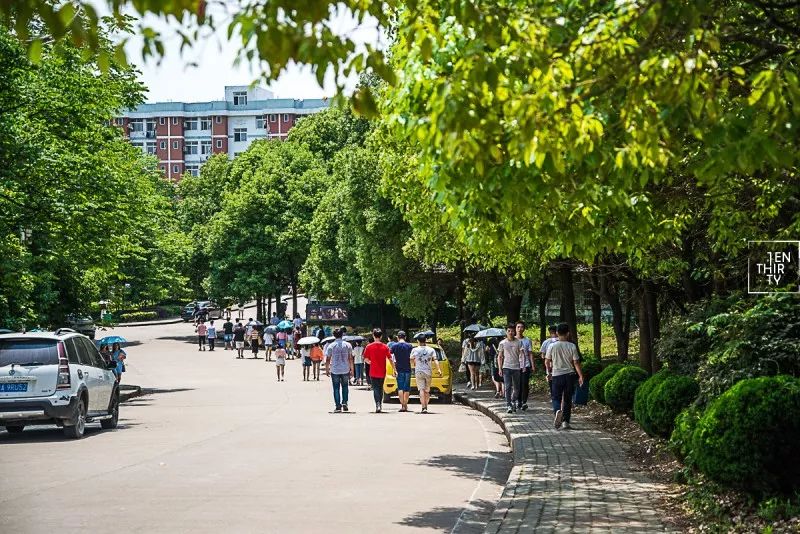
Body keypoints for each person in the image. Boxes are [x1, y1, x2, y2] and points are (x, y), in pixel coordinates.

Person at [545, 323, 585, 430]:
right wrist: (581, 376)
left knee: (555, 397)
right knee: (567, 399)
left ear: (557, 333)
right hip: (569, 375)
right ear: (568, 333)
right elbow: (576, 362)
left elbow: (547, 361)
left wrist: (549, 373)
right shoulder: (572, 346)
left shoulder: (552, 346)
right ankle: (566, 422)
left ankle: (557, 410)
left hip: (556, 375)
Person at [324, 328, 354, 413]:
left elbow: (328, 359)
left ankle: (338, 406)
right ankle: (345, 402)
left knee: (336, 388)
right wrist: (352, 369)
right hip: (345, 369)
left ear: (334, 335)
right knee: (345, 387)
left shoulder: (331, 346)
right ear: (342, 334)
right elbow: (350, 358)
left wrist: (327, 369)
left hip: (335, 369)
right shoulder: (348, 345)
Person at [411, 333, 442, 414]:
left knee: (421, 390)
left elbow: (411, 359)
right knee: (427, 391)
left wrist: (414, 363)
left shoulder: (415, 350)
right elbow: (435, 360)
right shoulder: (431, 350)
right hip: (428, 371)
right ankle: (426, 406)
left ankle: (423, 407)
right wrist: (439, 369)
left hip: (418, 371)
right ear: (426, 340)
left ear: (418, 341)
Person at [363, 329, 392, 413]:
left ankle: (377, 404)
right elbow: (390, 358)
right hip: (382, 371)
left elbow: (365, 358)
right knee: (380, 388)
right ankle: (380, 404)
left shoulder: (369, 346)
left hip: (373, 370)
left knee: (375, 388)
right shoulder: (385, 347)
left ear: (373, 335)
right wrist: (394, 369)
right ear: (381, 336)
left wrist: (370, 362)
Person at [498, 324, 523, 413]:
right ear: (506, 332)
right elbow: (500, 356)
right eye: (509, 331)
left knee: (517, 388)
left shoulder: (519, 342)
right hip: (506, 367)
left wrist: (522, 365)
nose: (510, 332)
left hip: (516, 367)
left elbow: (522, 355)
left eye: (512, 331)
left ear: (514, 332)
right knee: (508, 387)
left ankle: (513, 401)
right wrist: (500, 368)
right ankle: (508, 404)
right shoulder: (502, 343)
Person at [390, 331, 413, 412]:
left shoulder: (394, 346)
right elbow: (412, 357)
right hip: (407, 369)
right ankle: (405, 405)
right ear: (405, 337)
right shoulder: (409, 346)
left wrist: (394, 369)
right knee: (406, 388)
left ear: (397, 337)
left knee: (400, 387)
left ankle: (402, 405)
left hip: (398, 369)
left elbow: (390, 356)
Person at [516, 320, 536, 411]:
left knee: (524, 384)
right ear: (515, 328)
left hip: (526, 365)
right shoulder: (513, 340)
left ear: (524, 329)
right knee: (517, 384)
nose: (520, 329)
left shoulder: (527, 340)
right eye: (518, 327)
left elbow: (530, 353)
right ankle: (518, 401)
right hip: (515, 365)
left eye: (521, 327)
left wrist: (533, 365)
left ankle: (524, 402)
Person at [540, 325, 559, 409]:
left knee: (554, 382)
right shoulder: (546, 342)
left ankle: (555, 397)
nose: (553, 334)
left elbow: (543, 355)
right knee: (551, 382)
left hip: (555, 365)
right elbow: (542, 354)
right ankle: (554, 397)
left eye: (554, 333)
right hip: (550, 364)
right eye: (551, 333)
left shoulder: (559, 341)